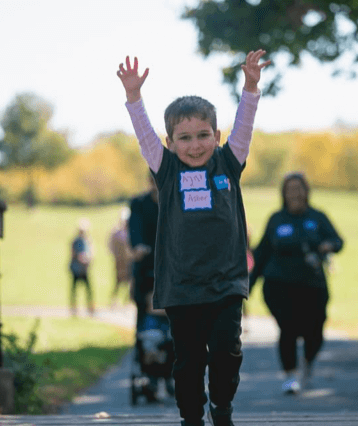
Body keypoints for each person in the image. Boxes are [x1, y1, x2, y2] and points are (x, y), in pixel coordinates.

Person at [117, 50, 271, 426]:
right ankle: (191, 418)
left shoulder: (228, 163)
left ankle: (221, 408)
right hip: (181, 285)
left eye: (203, 136)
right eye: (184, 138)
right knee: (187, 360)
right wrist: (134, 98)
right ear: (170, 142)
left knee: (227, 351)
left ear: (216, 137)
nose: (195, 145)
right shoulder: (166, 170)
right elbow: (143, 135)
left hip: (226, 282)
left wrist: (250, 86)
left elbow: (245, 125)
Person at [249, 172, 344, 394]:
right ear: (283, 193)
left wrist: (327, 246)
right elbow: (261, 254)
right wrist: (248, 286)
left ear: (306, 191)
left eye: (299, 188)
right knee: (288, 328)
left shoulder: (318, 217)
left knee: (315, 330)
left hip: (312, 284)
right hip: (279, 284)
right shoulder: (276, 219)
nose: (295, 193)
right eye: (290, 189)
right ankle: (290, 375)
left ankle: (308, 362)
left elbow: (338, 241)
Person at [128, 174, 159, 332]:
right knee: (142, 307)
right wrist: (137, 246)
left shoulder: (175, 201)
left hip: (173, 264)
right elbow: (134, 228)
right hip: (146, 262)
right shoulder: (139, 203)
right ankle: (142, 346)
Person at [69, 218, 95, 316]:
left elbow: (92, 253)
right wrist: (79, 257)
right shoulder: (75, 241)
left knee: (89, 290)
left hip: (85, 269)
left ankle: (90, 308)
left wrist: (88, 259)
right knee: (74, 290)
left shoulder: (88, 241)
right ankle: (73, 308)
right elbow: (73, 253)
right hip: (76, 268)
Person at [109, 207, 133, 307]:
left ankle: (127, 301)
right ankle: (114, 300)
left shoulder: (131, 232)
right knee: (118, 281)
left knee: (129, 282)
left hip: (128, 262)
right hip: (119, 262)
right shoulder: (116, 233)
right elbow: (111, 247)